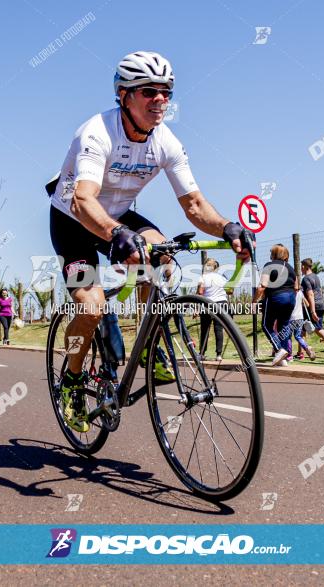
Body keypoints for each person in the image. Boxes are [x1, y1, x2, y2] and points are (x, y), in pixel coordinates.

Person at [49, 51, 253, 433]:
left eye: (166, 92)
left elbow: (193, 204)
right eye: (148, 91)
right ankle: (73, 381)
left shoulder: (166, 142)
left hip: (119, 214)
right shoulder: (96, 132)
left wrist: (228, 227)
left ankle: (151, 343)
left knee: (161, 257)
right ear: (124, 95)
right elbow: (83, 199)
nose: (159, 99)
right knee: (91, 307)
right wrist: (116, 236)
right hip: (74, 220)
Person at [253, 244, 296, 367]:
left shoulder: (269, 265)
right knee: (284, 327)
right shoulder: (291, 268)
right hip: (291, 299)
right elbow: (297, 286)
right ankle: (283, 359)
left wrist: (254, 301)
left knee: (266, 325)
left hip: (276, 297)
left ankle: (279, 349)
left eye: (271, 252)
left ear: (274, 254)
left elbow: (262, 286)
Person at [197, 258, 230, 360]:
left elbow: (200, 292)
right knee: (218, 329)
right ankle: (219, 355)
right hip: (222, 303)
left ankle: (202, 353)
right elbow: (229, 291)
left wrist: (196, 308)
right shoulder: (222, 278)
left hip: (208, 303)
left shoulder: (203, 277)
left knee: (205, 328)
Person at [289, 289, 314, 360]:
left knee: (288, 337)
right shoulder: (300, 292)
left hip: (291, 318)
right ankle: (306, 348)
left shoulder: (288, 292)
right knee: (298, 336)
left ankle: (289, 355)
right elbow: (307, 304)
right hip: (300, 318)